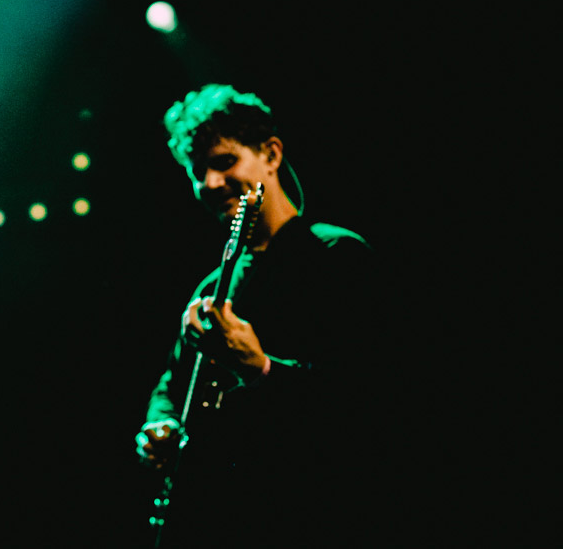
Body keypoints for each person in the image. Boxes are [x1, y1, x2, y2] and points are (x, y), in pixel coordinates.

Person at [134, 84, 385, 546]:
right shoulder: (212, 288)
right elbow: (172, 384)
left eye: (224, 162)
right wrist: (160, 425)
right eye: (197, 171)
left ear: (270, 155)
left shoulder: (337, 256)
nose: (209, 183)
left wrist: (263, 369)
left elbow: (370, 399)